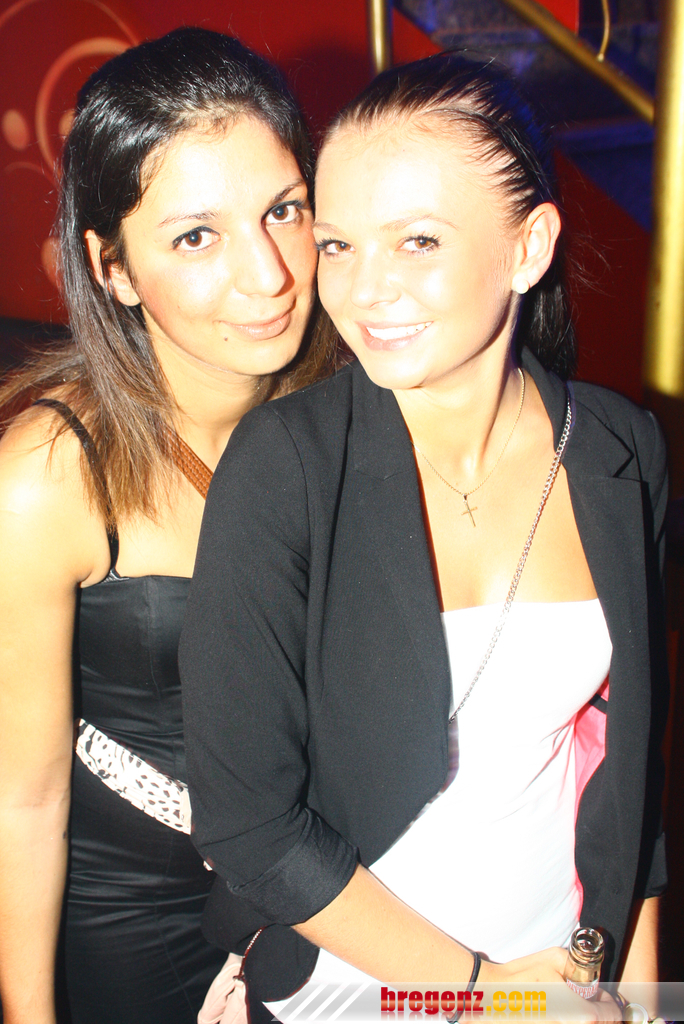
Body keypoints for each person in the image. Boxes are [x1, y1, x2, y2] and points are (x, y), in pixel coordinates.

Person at [180, 54, 668, 1020]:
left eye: (418, 241)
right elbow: (249, 826)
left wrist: (641, 996)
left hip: (561, 963)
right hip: (358, 984)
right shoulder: (286, 466)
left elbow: (632, 772)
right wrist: (486, 994)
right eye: (339, 245)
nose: (366, 290)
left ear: (528, 248)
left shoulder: (620, 450)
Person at [0, 27, 337, 1024]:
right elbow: (24, 798)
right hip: (136, 930)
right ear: (111, 267)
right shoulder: (51, 476)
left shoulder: (362, 411)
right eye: (196, 237)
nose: (268, 275)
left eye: (283, 210)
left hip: (333, 902)